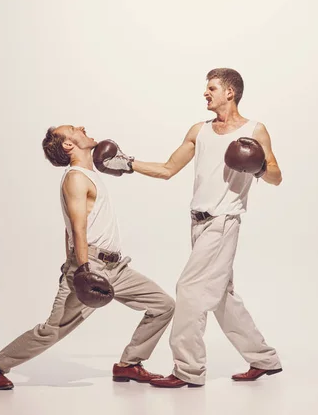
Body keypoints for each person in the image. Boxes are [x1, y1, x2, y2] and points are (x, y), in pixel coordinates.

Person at [92, 68, 283, 388]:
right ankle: (264, 359)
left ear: (230, 93)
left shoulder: (255, 130)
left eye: (212, 88)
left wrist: (259, 165)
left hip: (223, 223)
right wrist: (128, 163)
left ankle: (188, 370)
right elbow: (167, 169)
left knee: (189, 291)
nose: (205, 94)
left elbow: (276, 176)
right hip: (197, 224)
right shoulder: (199, 130)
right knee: (221, 297)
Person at [0, 125, 175, 390]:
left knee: (163, 305)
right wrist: (81, 269)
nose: (81, 127)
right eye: (73, 129)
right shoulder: (75, 178)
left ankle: (129, 364)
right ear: (68, 146)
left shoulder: (87, 175)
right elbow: (77, 228)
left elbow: (69, 229)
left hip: (116, 266)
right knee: (53, 329)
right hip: (90, 264)